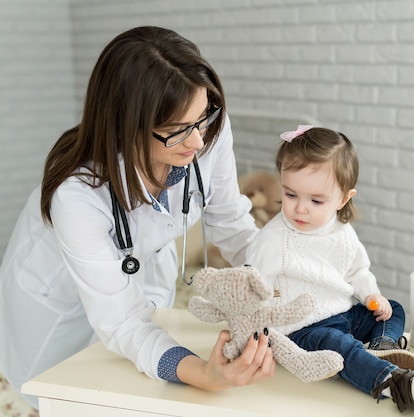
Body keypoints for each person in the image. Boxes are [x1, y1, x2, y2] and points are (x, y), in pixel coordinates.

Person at [0, 26, 275, 408]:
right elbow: (122, 322)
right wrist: (205, 375)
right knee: (66, 396)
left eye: (203, 118)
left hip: (137, 273)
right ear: (125, 127)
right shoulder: (78, 196)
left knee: (141, 387)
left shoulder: (204, 129)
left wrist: (284, 274)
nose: (197, 142)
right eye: (178, 131)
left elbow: (231, 222)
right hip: (57, 299)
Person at [245, 126, 414, 413]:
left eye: (315, 200)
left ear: (343, 199)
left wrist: (371, 295)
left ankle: (381, 345)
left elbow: (356, 271)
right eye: (290, 195)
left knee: (394, 309)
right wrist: (258, 331)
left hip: (344, 313)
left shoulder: (342, 231)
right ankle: (396, 383)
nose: (300, 208)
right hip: (303, 329)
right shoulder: (273, 240)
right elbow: (252, 285)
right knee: (340, 348)